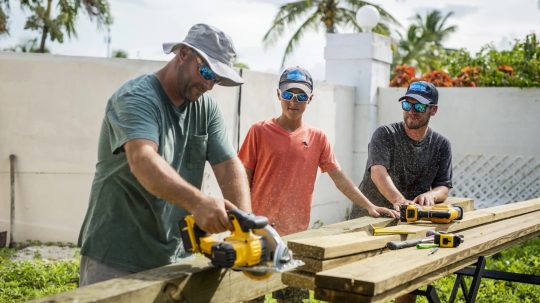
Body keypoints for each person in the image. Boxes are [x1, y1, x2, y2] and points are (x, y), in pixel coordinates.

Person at [77, 24, 251, 287]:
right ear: (183, 54)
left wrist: (245, 229)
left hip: (176, 255)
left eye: (216, 79)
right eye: (206, 72)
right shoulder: (136, 98)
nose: (209, 84)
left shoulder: (206, 109)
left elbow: (228, 165)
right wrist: (200, 203)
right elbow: (143, 160)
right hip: (116, 256)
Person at [239, 66, 398, 302]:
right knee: (251, 298)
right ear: (278, 94)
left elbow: (338, 177)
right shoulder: (259, 131)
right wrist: (243, 221)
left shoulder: (317, 138)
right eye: (288, 94)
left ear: (310, 99)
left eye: (301, 95)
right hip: (258, 235)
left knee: (291, 297)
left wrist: (369, 206)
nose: (294, 101)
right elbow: (242, 177)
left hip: (295, 238)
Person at [349, 80, 453, 303]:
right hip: (369, 220)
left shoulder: (441, 145)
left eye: (419, 107)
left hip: (407, 224)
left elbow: (444, 186)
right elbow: (378, 172)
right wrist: (399, 200)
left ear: (433, 110)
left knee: (406, 286)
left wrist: (431, 195)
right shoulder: (385, 134)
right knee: (357, 288)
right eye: (407, 105)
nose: (412, 112)